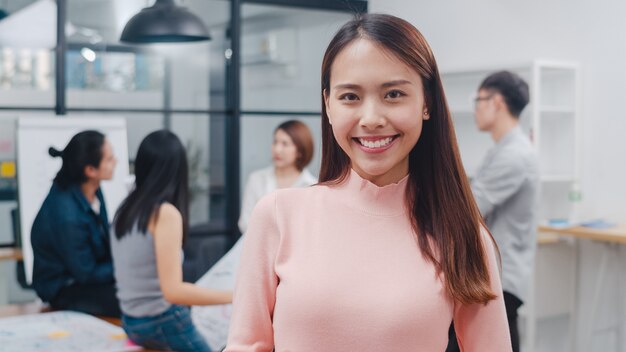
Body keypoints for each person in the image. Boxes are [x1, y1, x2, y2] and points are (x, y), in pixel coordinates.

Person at [225, 14, 512, 351]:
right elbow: (246, 345)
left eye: (393, 94)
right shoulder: (277, 215)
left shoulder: (462, 235)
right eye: (350, 97)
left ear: (426, 103)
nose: (372, 118)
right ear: (328, 105)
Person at [111, 130, 232, 352]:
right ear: (178, 170)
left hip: (131, 322)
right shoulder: (165, 214)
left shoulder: (126, 208)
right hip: (161, 321)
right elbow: (173, 291)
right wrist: (233, 296)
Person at [447, 71, 539, 352]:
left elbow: (470, 207)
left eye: (479, 100)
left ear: (497, 102)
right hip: (495, 271)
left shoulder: (515, 155)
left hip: (502, 274)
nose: (476, 108)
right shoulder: (503, 150)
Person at [31, 130, 120, 317]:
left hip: (88, 275)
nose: (116, 162)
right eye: (110, 159)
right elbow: (86, 274)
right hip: (65, 287)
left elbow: (103, 237)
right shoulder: (66, 215)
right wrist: (125, 266)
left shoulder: (92, 189)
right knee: (130, 300)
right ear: (90, 170)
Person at [238, 120, 317, 234]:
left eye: (285, 144)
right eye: (275, 142)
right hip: (256, 247)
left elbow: (309, 228)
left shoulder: (312, 186)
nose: (277, 149)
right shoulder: (257, 179)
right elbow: (245, 222)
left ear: (300, 151)